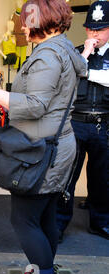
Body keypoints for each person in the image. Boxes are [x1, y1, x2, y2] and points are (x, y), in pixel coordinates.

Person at [0, 0, 87, 274]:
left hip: (43, 150)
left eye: (26, 20)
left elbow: (35, 106)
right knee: (44, 218)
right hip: (54, 145)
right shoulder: (64, 48)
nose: (22, 26)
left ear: (42, 20)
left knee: (24, 220)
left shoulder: (47, 55)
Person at [56, 1, 109, 242]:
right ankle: (58, 223)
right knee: (67, 176)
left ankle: (100, 222)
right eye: (91, 29)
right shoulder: (77, 53)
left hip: (104, 124)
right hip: (76, 123)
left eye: (100, 29)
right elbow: (66, 78)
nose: (94, 34)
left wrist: (85, 71)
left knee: (102, 178)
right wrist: (83, 57)